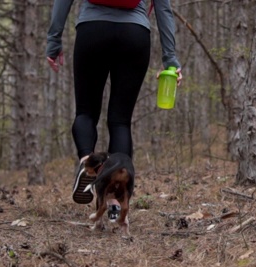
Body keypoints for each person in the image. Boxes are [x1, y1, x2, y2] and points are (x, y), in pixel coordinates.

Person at [46, 0, 182, 205]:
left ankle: (87, 164)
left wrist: (54, 41)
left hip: (92, 30)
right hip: (134, 34)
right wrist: (170, 58)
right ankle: (115, 200)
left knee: (86, 113)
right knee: (120, 121)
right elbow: (163, 8)